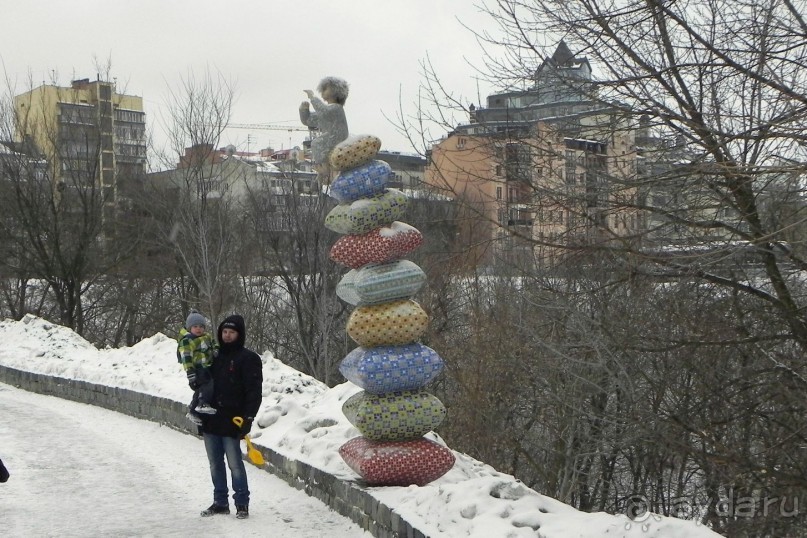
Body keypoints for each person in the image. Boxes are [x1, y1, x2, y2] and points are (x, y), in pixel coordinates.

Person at [199, 314, 263, 520]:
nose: (227, 336)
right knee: (215, 463)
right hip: (211, 418)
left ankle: (242, 503)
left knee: (235, 463)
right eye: (224, 332)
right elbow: (203, 386)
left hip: (233, 420)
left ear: (239, 334)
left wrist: (248, 418)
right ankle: (220, 502)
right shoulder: (213, 357)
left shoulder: (249, 359)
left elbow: (254, 392)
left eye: (231, 332)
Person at [299, 76, 349, 184]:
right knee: (318, 144)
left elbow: (323, 111)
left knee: (317, 143)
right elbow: (309, 120)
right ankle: (325, 170)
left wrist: (312, 97)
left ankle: (323, 169)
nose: (322, 92)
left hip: (338, 135)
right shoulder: (328, 110)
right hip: (332, 136)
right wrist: (304, 111)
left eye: (325, 89)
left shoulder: (336, 108)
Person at [177, 311, 218, 427]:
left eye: (201, 326)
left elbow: (214, 343)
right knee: (208, 384)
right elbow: (186, 357)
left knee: (200, 390)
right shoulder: (187, 340)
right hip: (198, 368)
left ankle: (193, 410)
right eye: (195, 327)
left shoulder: (207, 337)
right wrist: (190, 372)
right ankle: (203, 404)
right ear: (190, 328)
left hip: (207, 366)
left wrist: (215, 350)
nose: (198, 329)